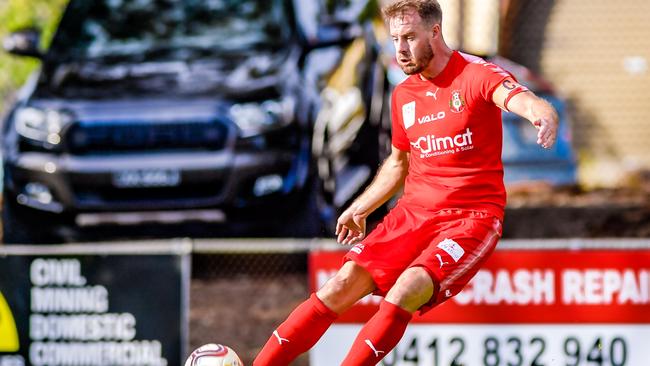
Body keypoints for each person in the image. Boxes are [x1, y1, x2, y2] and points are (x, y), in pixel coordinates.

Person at [253, 0, 558, 365]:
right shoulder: (404, 94)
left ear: (434, 32)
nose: (400, 49)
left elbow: (519, 98)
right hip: (413, 215)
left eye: (409, 37)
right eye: (395, 38)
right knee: (339, 285)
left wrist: (541, 114)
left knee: (406, 288)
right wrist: (360, 207)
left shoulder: (476, 75)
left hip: (470, 220)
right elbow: (398, 164)